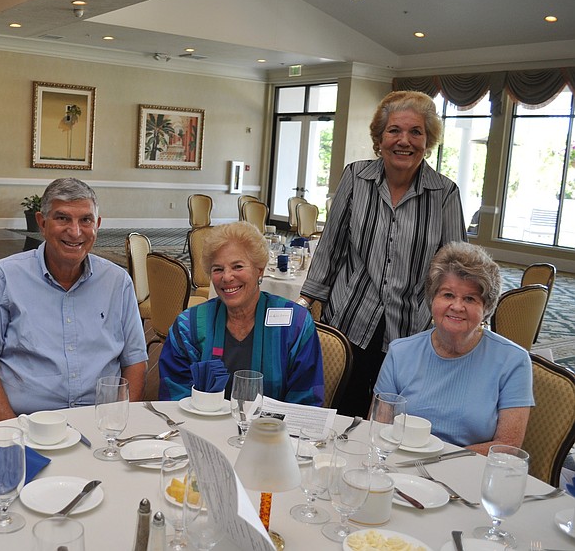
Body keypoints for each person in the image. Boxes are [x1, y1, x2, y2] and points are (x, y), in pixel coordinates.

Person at [299, 90, 466, 417]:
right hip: (349, 316)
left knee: (392, 417)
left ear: (427, 140)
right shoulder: (355, 177)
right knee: (340, 409)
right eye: (394, 130)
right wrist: (308, 301)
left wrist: (451, 322)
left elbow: (455, 267)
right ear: (380, 138)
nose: (404, 140)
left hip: (410, 327)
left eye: (416, 132)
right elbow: (331, 246)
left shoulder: (444, 193)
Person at [0, 177, 147, 421]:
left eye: (86, 220)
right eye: (63, 218)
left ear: (97, 225)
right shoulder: (3, 277)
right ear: (42, 222)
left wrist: (117, 423)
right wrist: (13, 432)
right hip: (27, 423)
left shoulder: (117, 282)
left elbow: (135, 362)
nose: (75, 231)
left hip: (99, 423)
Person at [374, 241, 533, 455]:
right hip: (403, 467)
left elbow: (507, 445)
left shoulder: (513, 361)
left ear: (486, 308)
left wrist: (441, 460)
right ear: (432, 300)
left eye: (470, 298)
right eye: (448, 295)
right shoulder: (400, 353)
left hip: (470, 473)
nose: (457, 306)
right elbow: (379, 429)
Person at [158, 221, 324, 405]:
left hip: (274, 431)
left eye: (237, 266)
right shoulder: (189, 327)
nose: (227, 277)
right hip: (202, 429)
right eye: (218, 269)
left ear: (259, 270)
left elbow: (305, 401)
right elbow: (174, 399)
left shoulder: (296, 325)